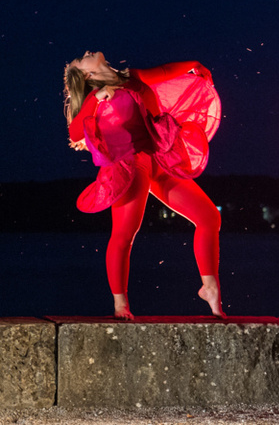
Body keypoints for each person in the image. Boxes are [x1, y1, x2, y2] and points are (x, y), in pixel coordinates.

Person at [63, 51, 224, 320]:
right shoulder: (97, 96)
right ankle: (120, 304)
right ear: (87, 75)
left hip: (160, 158)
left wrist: (194, 65)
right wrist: (95, 100)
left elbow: (165, 69)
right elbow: (76, 132)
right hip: (129, 166)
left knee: (210, 217)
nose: (87, 53)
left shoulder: (132, 77)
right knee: (125, 234)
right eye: (82, 58)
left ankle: (209, 288)